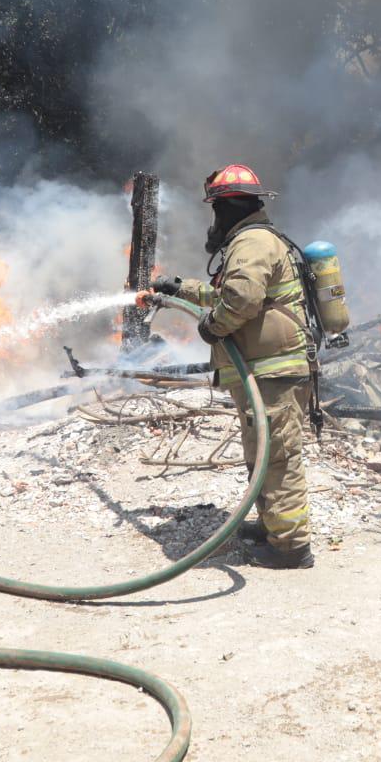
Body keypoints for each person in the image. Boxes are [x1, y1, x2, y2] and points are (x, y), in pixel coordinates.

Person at [148, 164, 316, 569]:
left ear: (227, 207)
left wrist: (212, 327)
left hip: (273, 371)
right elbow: (228, 292)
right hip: (265, 372)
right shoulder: (253, 241)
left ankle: (291, 546)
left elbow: (240, 301)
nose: (214, 220)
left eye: (216, 209)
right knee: (264, 453)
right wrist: (179, 288)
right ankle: (274, 523)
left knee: (277, 457)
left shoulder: (253, 242)